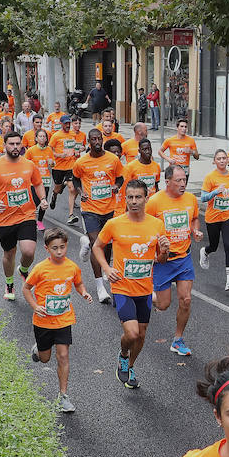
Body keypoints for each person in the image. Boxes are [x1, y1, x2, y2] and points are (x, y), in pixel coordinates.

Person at [93, 179, 169, 389]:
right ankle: (124, 354)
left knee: (141, 334)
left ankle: (130, 365)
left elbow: (161, 260)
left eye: (138, 197)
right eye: (130, 197)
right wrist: (107, 269)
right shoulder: (114, 224)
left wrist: (164, 251)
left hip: (144, 289)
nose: (134, 201)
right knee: (132, 333)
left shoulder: (157, 225)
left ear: (146, 198)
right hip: (122, 287)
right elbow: (97, 247)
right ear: (125, 199)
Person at [24, 227, 91, 413]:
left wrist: (84, 292)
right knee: (45, 359)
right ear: (47, 249)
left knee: (63, 356)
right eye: (55, 248)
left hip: (63, 319)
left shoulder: (72, 266)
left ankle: (63, 396)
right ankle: (38, 350)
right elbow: (26, 288)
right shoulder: (40, 269)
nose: (59, 251)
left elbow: (78, 283)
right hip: (43, 321)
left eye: (62, 247)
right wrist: (35, 306)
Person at [146, 165, 203, 357]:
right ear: (167, 181)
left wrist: (195, 230)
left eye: (184, 180)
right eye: (178, 180)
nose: (183, 184)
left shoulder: (191, 199)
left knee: (186, 300)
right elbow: (142, 226)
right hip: (162, 261)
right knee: (163, 305)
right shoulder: (154, 202)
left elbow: (195, 218)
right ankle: (146, 296)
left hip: (183, 258)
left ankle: (178, 340)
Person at [0, 131, 46, 301]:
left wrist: (43, 199)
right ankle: (9, 283)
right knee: (9, 254)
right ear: (5, 146)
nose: (15, 147)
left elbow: (38, 183)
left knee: (29, 251)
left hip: (26, 215)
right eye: (12, 144)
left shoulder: (29, 164)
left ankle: (23, 269)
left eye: (18, 144)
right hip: (4, 219)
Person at [73, 127, 126, 304]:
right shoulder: (82, 162)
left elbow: (120, 177)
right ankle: (99, 286)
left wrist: (116, 186)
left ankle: (86, 243)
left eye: (99, 139)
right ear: (89, 142)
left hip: (109, 209)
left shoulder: (112, 159)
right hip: (90, 209)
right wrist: (81, 191)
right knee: (98, 245)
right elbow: (74, 178)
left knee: (107, 245)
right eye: (93, 139)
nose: (97, 142)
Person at [199, 149, 229, 291]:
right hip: (213, 217)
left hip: (228, 216)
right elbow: (203, 197)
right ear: (214, 161)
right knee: (214, 246)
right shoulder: (210, 177)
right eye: (219, 158)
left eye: (224, 158)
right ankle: (205, 251)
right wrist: (216, 191)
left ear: (227, 160)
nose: (222, 161)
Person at [49, 114, 85, 223]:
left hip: (71, 165)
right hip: (59, 167)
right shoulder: (56, 136)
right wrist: (58, 155)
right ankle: (54, 195)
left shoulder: (73, 134)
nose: (68, 125)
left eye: (69, 123)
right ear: (61, 124)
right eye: (66, 123)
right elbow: (49, 149)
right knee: (58, 189)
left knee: (72, 187)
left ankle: (70, 215)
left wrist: (80, 149)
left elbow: (80, 145)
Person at [24, 128, 55, 230]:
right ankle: (28, 218)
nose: (42, 138)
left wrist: (52, 163)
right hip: (34, 181)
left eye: (44, 136)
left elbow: (53, 164)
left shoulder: (49, 150)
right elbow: (25, 164)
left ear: (46, 139)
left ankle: (40, 221)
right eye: (40, 136)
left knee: (43, 202)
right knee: (35, 201)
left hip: (45, 180)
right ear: (36, 139)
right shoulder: (31, 150)